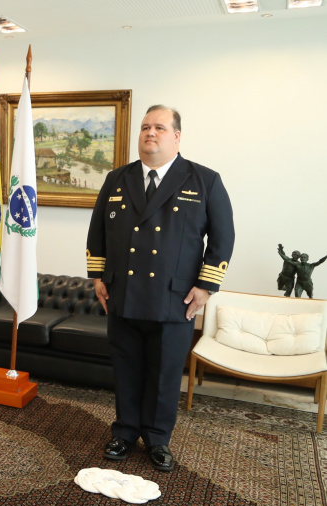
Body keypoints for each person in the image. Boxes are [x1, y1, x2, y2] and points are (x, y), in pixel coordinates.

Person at [86, 105, 235, 472]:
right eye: (145, 127)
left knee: (165, 374)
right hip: (123, 295)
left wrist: (206, 287)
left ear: (177, 136)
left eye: (160, 128)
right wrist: (98, 277)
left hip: (174, 299)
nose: (150, 133)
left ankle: (157, 439)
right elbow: (97, 233)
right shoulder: (116, 179)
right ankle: (124, 432)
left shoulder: (204, 180)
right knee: (126, 369)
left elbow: (222, 237)